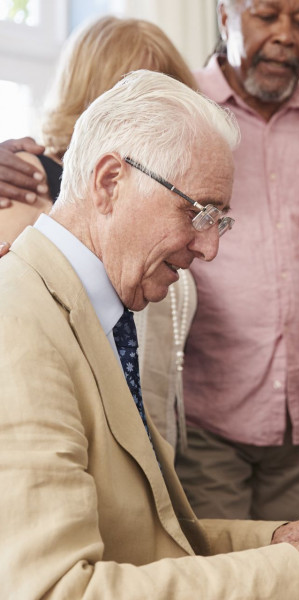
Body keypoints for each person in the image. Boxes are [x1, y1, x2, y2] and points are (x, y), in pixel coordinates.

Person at [0, 69, 299, 599]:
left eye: (220, 220)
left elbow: (155, 545)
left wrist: (292, 538)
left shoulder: (84, 311)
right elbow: (56, 590)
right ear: (109, 183)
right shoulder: (19, 322)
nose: (209, 248)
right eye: (197, 212)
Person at [171, 0, 299, 521]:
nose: (284, 36)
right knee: (220, 582)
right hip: (209, 417)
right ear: (226, 15)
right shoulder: (182, 102)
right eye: (267, 15)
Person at [0, 15, 200, 449]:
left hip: (157, 443)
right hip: (70, 438)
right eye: (149, 100)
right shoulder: (24, 183)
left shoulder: (158, 197)